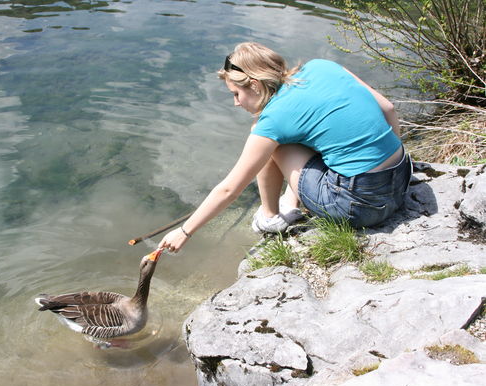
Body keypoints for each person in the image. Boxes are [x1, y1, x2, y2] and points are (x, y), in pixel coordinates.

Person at [158, 42, 411, 254]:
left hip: (360, 207)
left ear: (255, 85)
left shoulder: (274, 119)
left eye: (236, 94)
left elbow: (229, 190)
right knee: (301, 134)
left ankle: (269, 218)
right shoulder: (322, 66)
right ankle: (290, 202)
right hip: (402, 176)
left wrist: (184, 231)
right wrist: (390, 162)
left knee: (268, 143)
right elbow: (388, 108)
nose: (236, 103)